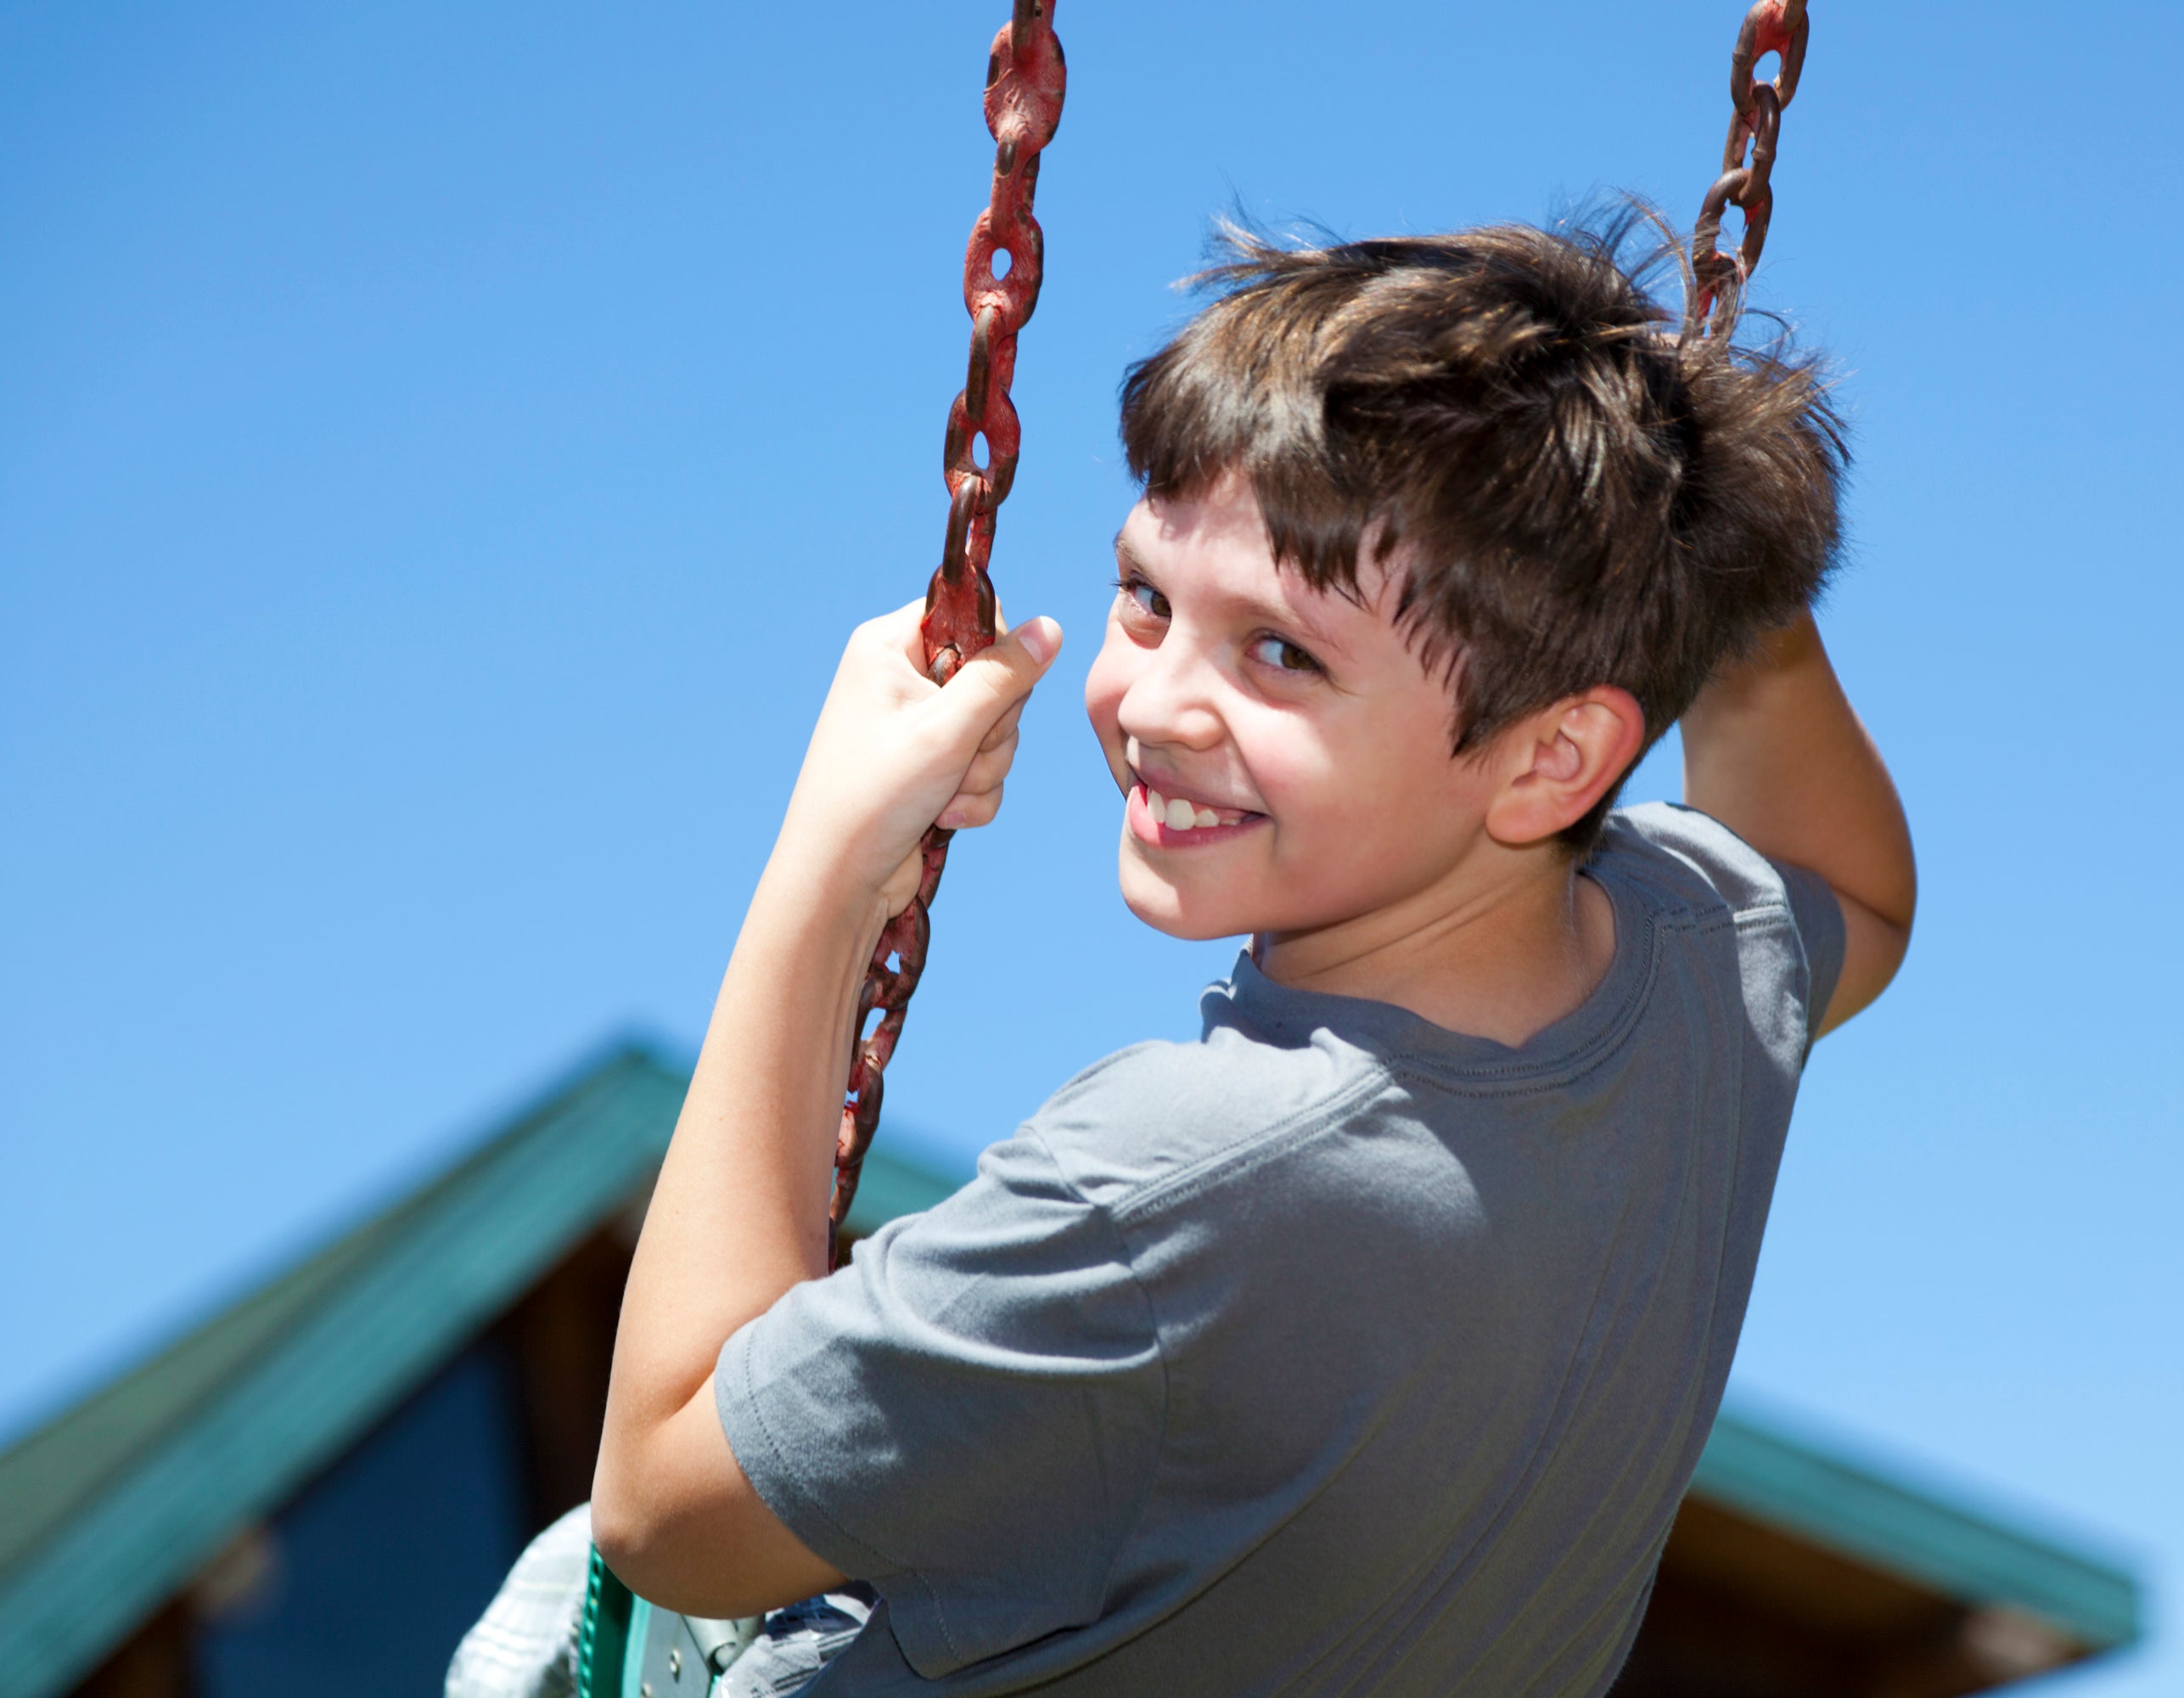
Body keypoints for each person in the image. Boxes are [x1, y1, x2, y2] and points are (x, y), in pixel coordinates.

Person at [582, 211, 1914, 1696]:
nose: (1154, 705)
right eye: (1149, 595)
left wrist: (824, 874)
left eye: (1281, 652)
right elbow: (1853, 895)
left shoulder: (1184, 1185)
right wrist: (1721, 578)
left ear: (1553, 761)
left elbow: (659, 1509)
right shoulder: (1689, 971)